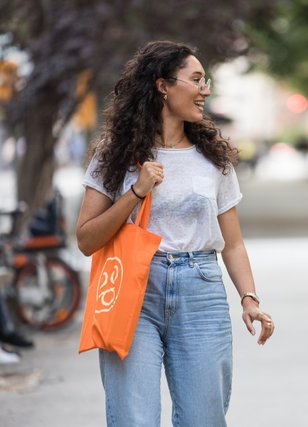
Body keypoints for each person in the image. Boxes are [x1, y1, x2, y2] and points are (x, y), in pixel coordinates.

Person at [76, 40, 274, 426]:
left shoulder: (213, 158)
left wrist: (249, 298)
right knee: (134, 418)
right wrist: (136, 192)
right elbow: (86, 239)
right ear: (163, 85)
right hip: (133, 291)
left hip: (200, 291)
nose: (206, 90)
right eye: (196, 80)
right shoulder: (113, 154)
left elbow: (232, 243)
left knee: (204, 418)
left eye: (207, 80)